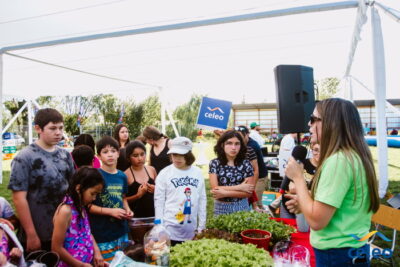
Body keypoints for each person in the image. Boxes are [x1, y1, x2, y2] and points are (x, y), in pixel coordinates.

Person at [285, 98, 380, 266]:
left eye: (314, 119)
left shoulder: (338, 161)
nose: (309, 124)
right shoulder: (352, 156)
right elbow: (339, 207)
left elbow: (317, 221)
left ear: (331, 123)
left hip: (338, 255)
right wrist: (305, 203)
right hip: (353, 250)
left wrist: (298, 178)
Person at [8, 108, 74, 252]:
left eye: (61, 128)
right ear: (38, 128)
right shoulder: (24, 157)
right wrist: (31, 234)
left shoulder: (65, 155)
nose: (58, 132)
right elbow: (19, 199)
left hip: (65, 230)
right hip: (39, 232)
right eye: (52, 128)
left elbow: (72, 190)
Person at [154, 137, 207, 246]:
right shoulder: (164, 173)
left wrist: (201, 226)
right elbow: (159, 201)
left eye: (181, 155)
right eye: (174, 155)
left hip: (191, 230)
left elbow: (202, 200)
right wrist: (160, 227)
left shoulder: (197, 173)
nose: (177, 158)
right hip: (169, 230)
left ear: (188, 155)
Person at [89, 136, 134, 262]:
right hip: (103, 233)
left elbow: (123, 198)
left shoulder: (122, 176)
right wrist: (110, 211)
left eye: (113, 151)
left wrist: (128, 210)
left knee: (123, 262)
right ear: (98, 156)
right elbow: (88, 206)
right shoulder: (94, 176)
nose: (110, 155)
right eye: (105, 152)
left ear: (119, 154)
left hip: (121, 230)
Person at [52, 167, 107, 267]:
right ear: (78, 189)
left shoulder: (81, 206)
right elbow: (56, 248)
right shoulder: (66, 211)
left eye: (97, 195)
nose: (94, 198)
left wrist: (97, 253)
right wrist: (80, 265)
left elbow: (87, 232)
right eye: (92, 194)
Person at [209, 130, 255, 215]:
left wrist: (225, 193)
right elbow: (215, 189)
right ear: (222, 145)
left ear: (241, 146)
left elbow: (249, 193)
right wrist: (240, 187)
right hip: (221, 208)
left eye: (237, 144)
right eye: (229, 143)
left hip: (242, 207)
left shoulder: (246, 164)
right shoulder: (215, 163)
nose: (233, 147)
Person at [124, 141, 157, 218]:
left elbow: (162, 191)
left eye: (142, 154)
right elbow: (122, 200)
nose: (140, 158)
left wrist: (156, 189)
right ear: (128, 157)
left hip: (155, 214)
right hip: (137, 217)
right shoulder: (125, 175)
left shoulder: (152, 170)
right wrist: (137, 196)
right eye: (135, 155)